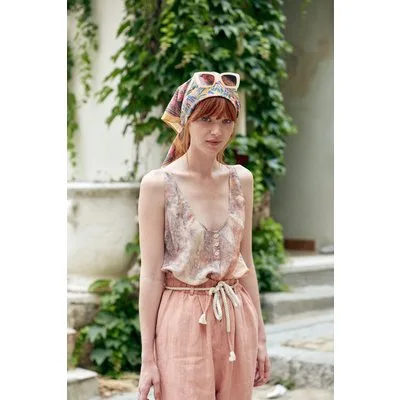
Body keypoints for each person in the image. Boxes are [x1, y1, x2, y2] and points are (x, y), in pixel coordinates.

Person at [137, 71, 270, 400]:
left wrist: (260, 338)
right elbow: (151, 275)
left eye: (226, 121)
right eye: (206, 119)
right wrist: (147, 359)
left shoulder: (241, 179)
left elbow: (246, 262)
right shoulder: (158, 184)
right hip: (182, 322)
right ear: (186, 120)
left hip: (236, 317)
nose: (216, 131)